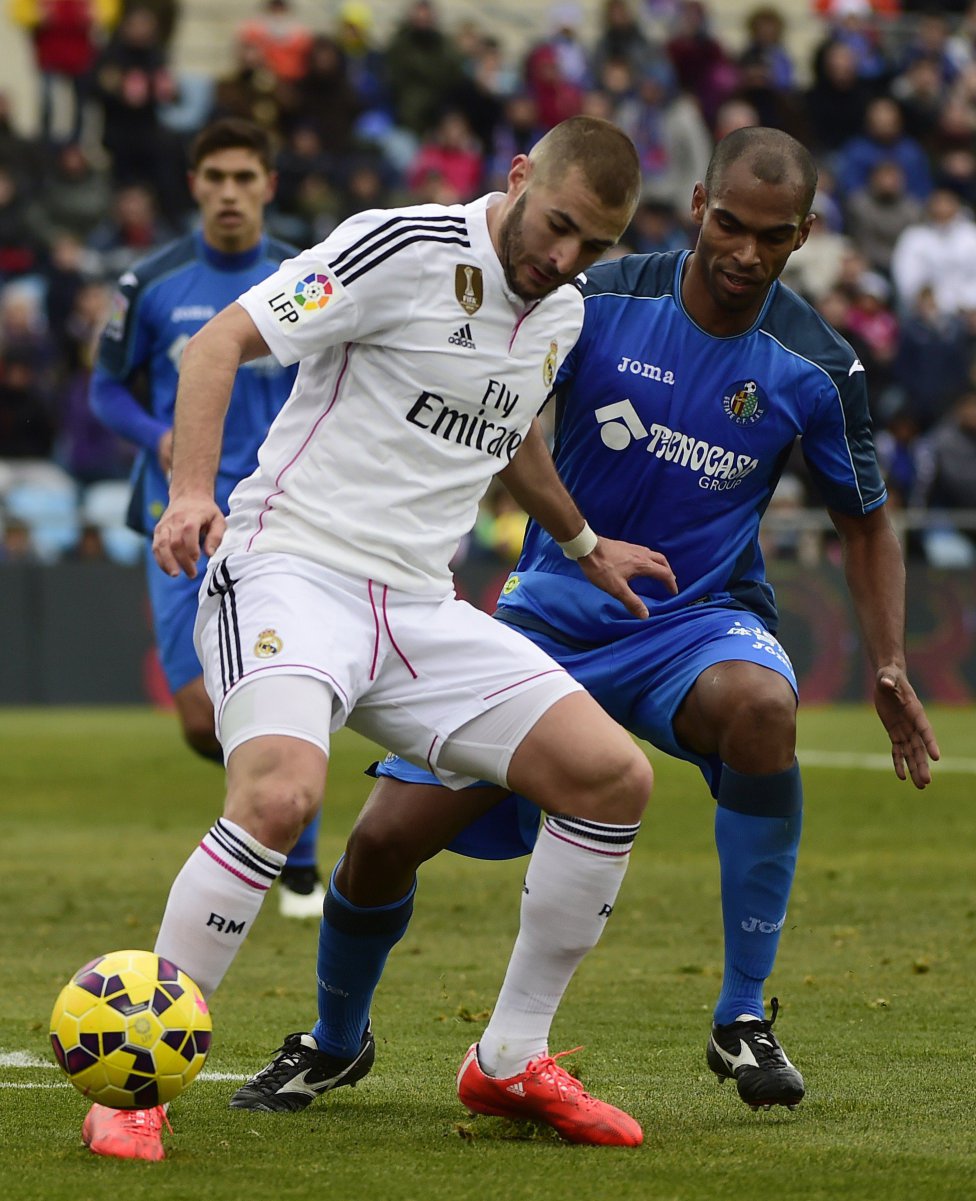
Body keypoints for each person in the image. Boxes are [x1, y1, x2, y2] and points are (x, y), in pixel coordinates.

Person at [229, 127, 941, 1127]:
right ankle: (335, 1039)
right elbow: (501, 413)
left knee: (761, 707)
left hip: (696, 625)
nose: (746, 252)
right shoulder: (595, 299)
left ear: (806, 235)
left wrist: (891, 663)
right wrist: (569, 537)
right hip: (548, 620)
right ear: (699, 206)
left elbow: (865, 521)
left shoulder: (817, 366)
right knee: (383, 842)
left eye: (772, 236)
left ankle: (741, 1014)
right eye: (731, 225)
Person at [82, 115, 676, 1161]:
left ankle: (508, 1059)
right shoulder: (400, 245)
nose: (565, 257)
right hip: (290, 565)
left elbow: (511, 432)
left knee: (612, 777)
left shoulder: (562, 310)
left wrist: (586, 545)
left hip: (416, 606)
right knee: (279, 797)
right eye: (558, 225)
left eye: (595, 244)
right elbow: (219, 344)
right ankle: (135, 1077)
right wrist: (188, 492)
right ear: (519, 176)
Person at [88, 117, 327, 924]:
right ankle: (282, 796)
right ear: (194, 185)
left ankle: (296, 856)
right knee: (199, 714)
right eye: (215, 177)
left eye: (244, 177)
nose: (230, 192)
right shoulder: (151, 282)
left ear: (268, 185)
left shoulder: (307, 276)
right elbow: (105, 388)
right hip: (180, 511)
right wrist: (158, 434)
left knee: (271, 682)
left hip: (277, 514)